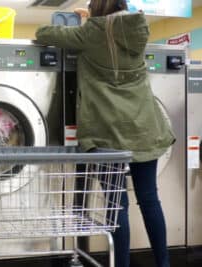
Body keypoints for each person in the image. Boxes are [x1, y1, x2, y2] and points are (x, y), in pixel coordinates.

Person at [35, 1, 173, 267]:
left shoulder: (90, 33)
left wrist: (88, 21)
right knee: (149, 198)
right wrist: (94, 19)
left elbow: (44, 33)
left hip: (107, 132)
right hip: (145, 127)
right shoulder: (138, 29)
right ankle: (164, 263)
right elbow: (113, 30)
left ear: (96, 7)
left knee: (116, 204)